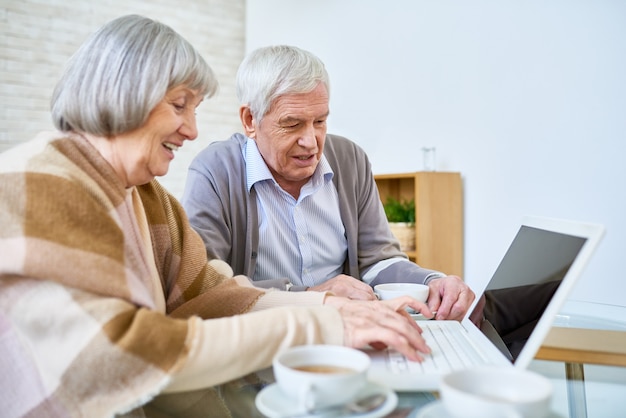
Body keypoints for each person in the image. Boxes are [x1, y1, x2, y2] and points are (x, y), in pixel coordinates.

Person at [0, 16, 433, 418]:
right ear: (123, 93)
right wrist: (315, 323)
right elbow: (115, 356)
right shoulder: (40, 180)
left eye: (194, 109)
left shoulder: (147, 197)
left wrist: (331, 308)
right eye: (180, 105)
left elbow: (212, 295)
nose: (191, 129)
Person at [182, 45, 475, 321]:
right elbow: (207, 288)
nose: (311, 142)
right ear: (249, 120)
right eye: (292, 124)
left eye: (320, 121)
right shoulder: (215, 171)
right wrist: (311, 298)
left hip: (351, 333)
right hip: (268, 337)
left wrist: (431, 282)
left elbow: (378, 260)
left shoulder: (350, 159)